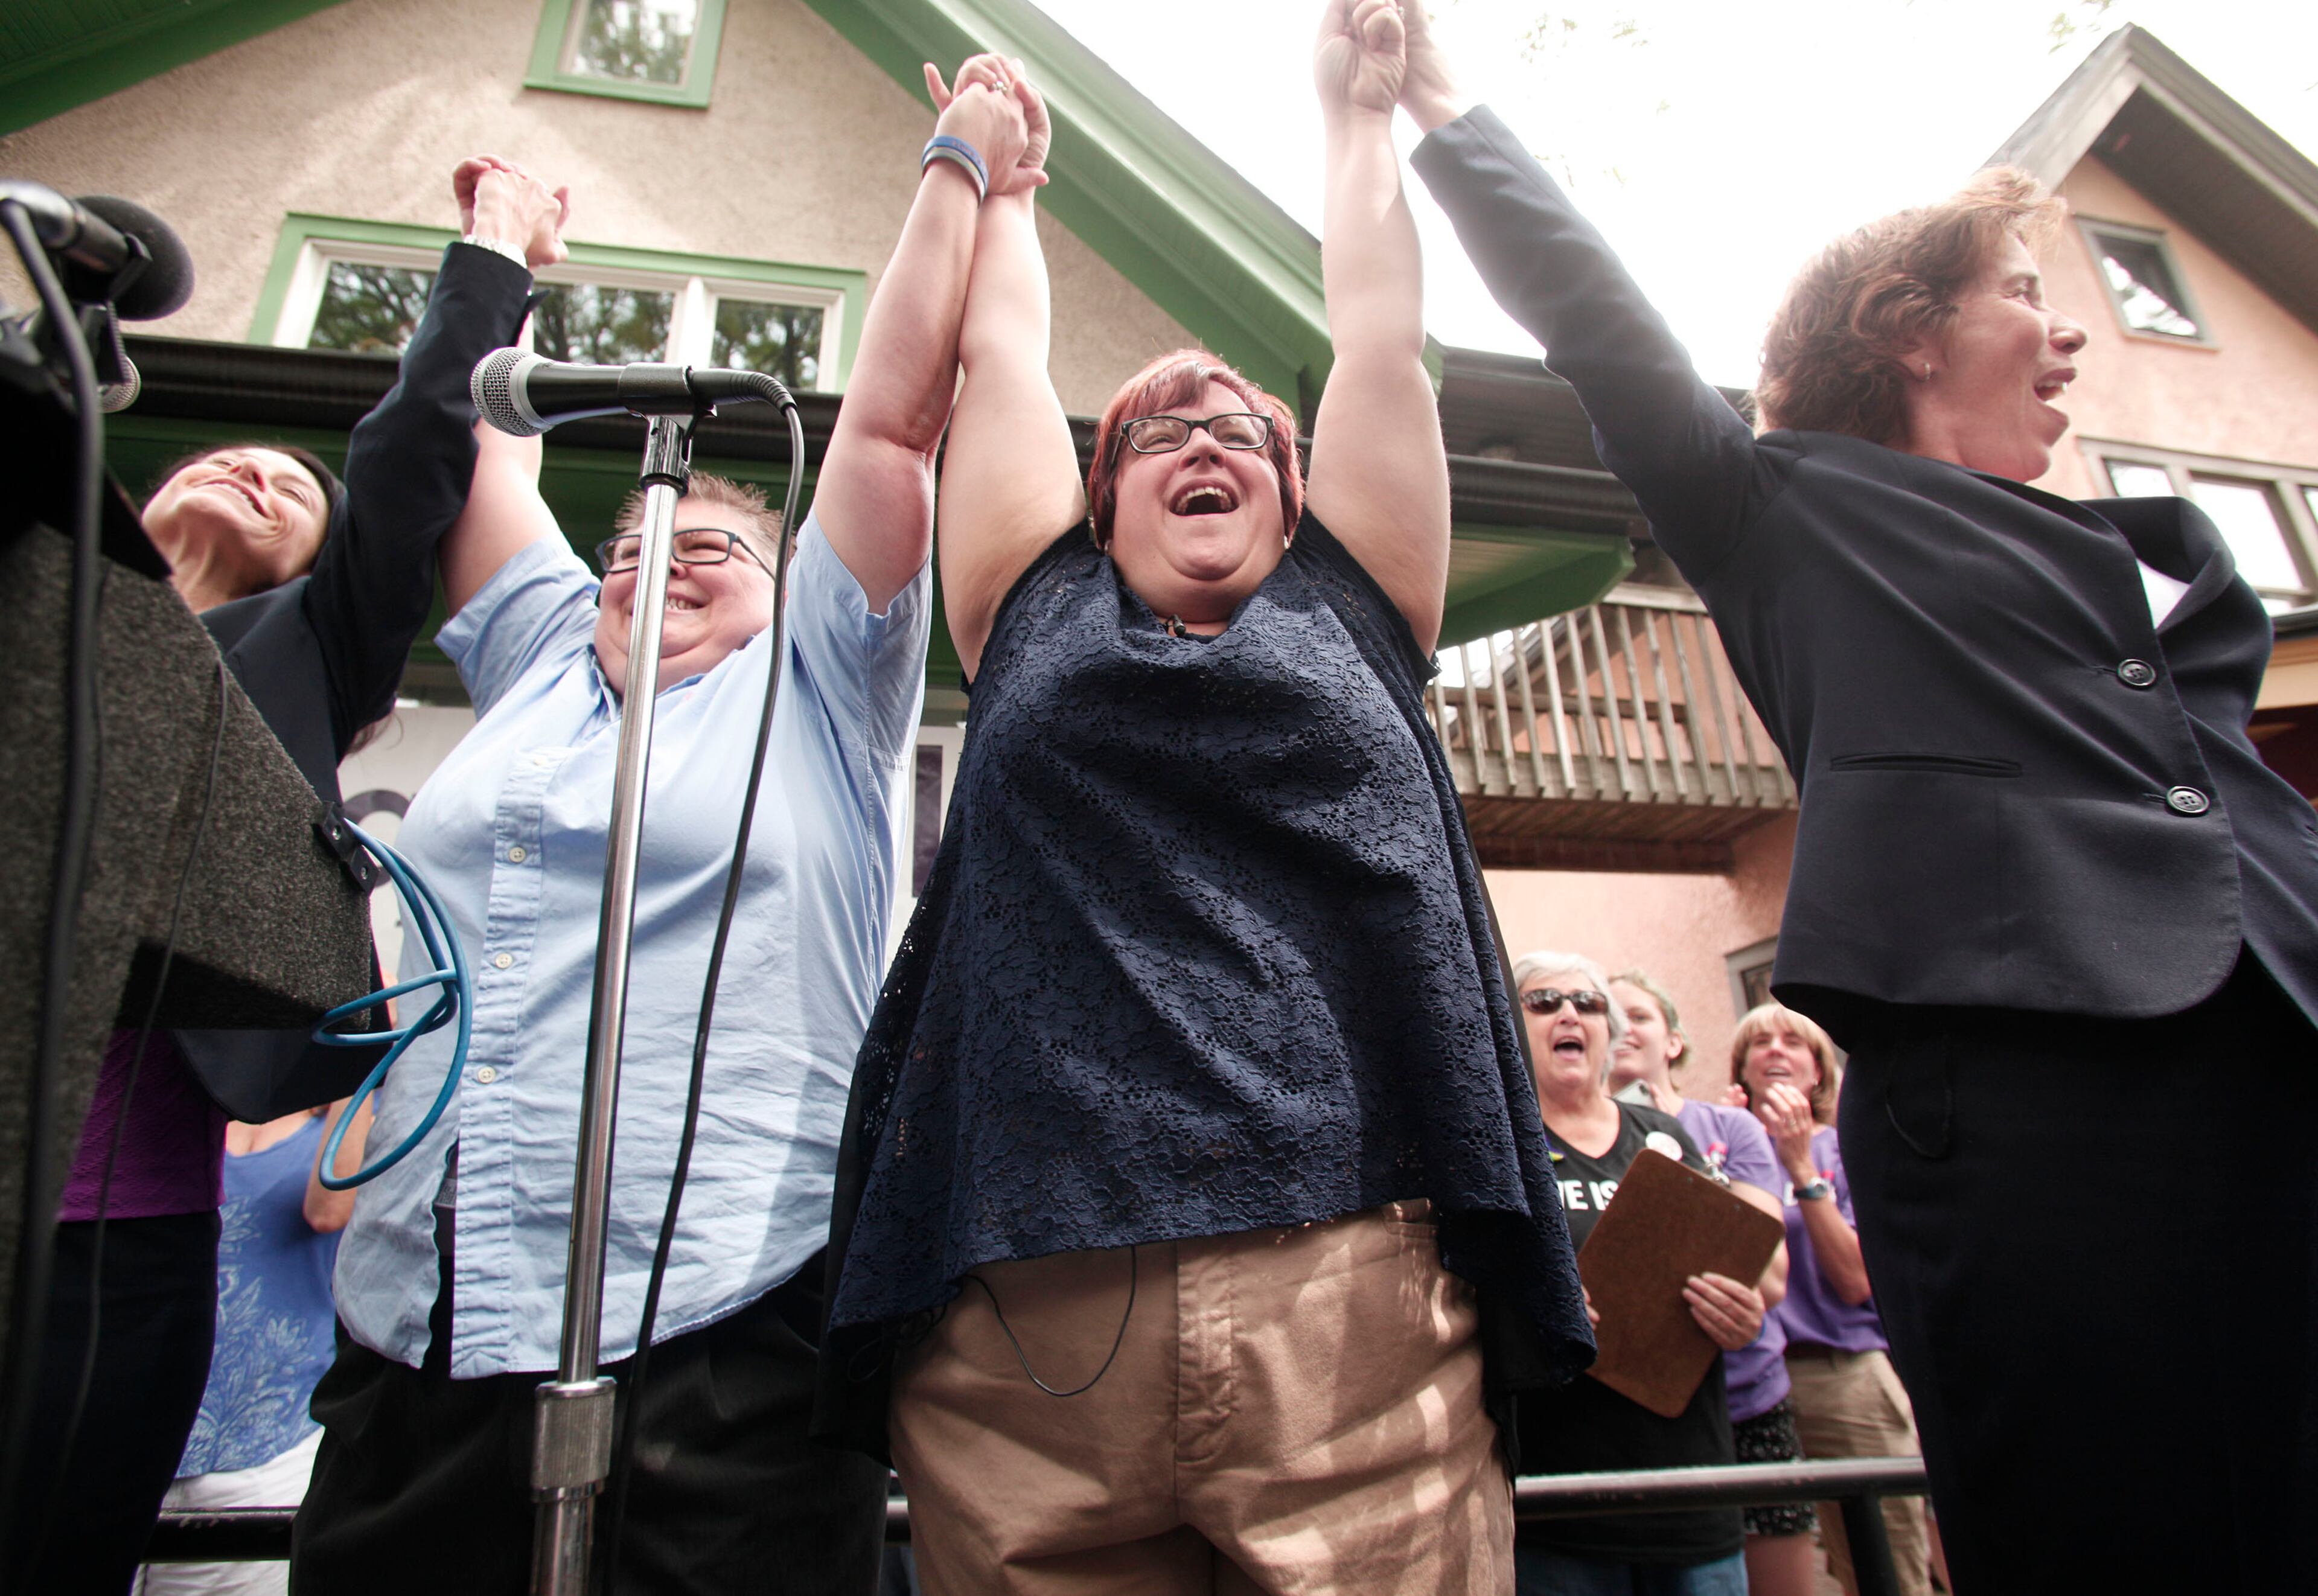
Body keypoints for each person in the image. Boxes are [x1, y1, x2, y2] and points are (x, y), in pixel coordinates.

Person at [1396, 6, 2318, 1587]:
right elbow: (1594, 316)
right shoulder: (1782, 515)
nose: (2070, 333)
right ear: (1906, 328)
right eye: (2026, 292)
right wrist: (1437, 95)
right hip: (2035, 1071)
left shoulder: (2130, 555)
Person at [816, 8, 1593, 1589]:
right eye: (1156, 430)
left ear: (1299, 490)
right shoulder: (1028, 607)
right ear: (1099, 500)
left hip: (1349, 1291)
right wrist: (1011, 188)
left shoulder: (1361, 605)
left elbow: (1378, 336)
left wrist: (1355, 117)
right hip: (1029, 1315)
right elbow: (1000, 358)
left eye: (1243, 426)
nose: (1202, 437)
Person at [293, 88, 1022, 1593]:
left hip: (723, 1316)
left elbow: (892, 422)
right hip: (431, 1297)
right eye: (630, 542)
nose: (660, 551)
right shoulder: (549, 651)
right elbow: (472, 450)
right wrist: (500, 249)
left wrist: (957, 172)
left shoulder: (819, 679)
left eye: (712, 545)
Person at [3, 157, 544, 1596]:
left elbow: (411, 453)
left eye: (295, 490)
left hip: (109, 1246)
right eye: (227, 458)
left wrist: (491, 255)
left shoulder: (301, 651)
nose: (262, 471)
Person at [1515, 953, 1757, 1596]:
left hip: (1691, 1492)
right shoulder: (1501, 1151)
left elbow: (1728, 1264)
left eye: (1588, 1002)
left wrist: (1742, 1314)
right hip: (1559, 1506)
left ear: (1609, 1033)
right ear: (1508, 1024)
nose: (1569, 1012)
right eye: (1543, 1002)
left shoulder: (1664, 1134)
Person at [1608, 972, 1811, 1596]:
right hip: (1632, 1410)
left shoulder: (1733, 1129)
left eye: (1639, 1014)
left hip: (1750, 1398)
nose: (1620, 1024)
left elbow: (1768, 1278)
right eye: (1607, 1011)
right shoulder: (1568, 1139)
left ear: (1673, 1040)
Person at [133, 1100, 370, 1596]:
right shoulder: (193, 1112)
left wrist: (361, 1051)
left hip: (262, 1453)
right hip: (134, 1443)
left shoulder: (356, 1118)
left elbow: (329, 1210)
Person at [1731, 1004, 1929, 1596]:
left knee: (1886, 1569)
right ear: (1739, 1070)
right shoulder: (1729, 1151)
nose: (1774, 1049)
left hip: (1843, 1379)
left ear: (1819, 1072)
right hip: (1760, 1388)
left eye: (1794, 1041)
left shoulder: (1847, 1150)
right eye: (1758, 1041)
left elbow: (1856, 1280)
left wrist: (1799, 1166)